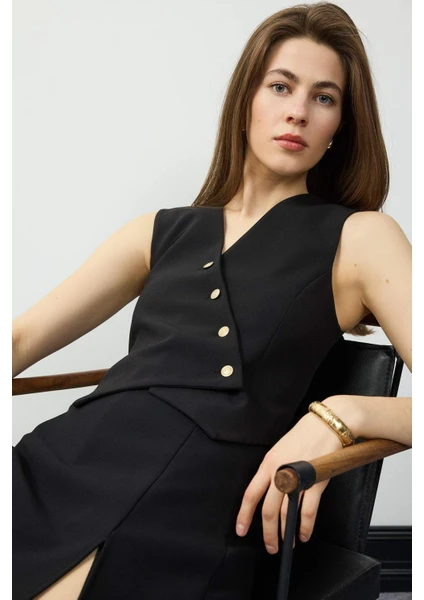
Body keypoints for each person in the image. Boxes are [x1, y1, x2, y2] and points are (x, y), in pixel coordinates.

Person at [12, 2, 412, 599]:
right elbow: (19, 339)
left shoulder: (361, 238)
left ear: (341, 126)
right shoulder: (159, 231)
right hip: (63, 462)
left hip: (189, 505)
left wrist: (343, 416)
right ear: (245, 100)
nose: (298, 111)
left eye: (324, 97)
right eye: (281, 86)